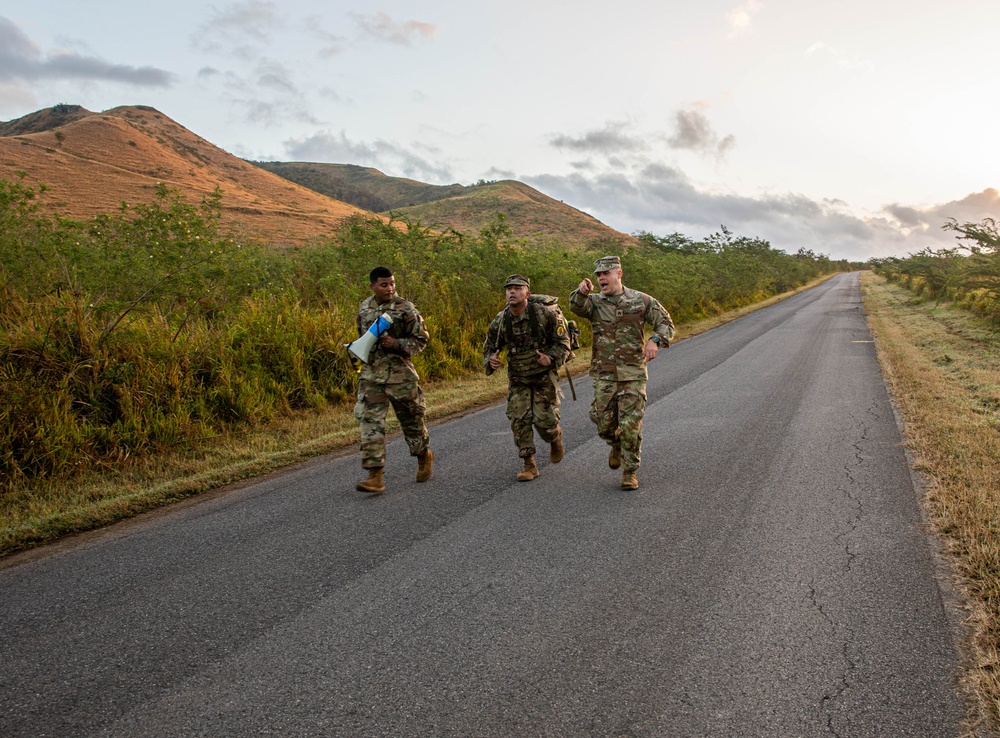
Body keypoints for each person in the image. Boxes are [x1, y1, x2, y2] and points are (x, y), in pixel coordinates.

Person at [569, 255, 674, 490]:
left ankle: (630, 472)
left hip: (633, 374)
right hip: (604, 373)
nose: (601, 278)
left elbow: (666, 323)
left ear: (619, 273)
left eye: (606, 273)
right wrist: (582, 292)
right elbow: (576, 307)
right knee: (602, 422)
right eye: (598, 275)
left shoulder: (641, 300)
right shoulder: (594, 302)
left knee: (630, 425)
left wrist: (655, 340)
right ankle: (616, 444)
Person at [483, 274, 572, 482]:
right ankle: (528, 463)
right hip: (518, 379)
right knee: (519, 419)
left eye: (517, 288)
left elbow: (563, 343)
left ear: (527, 293)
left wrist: (550, 358)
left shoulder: (544, 314)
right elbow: (489, 347)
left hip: (542, 377)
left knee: (544, 422)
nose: (512, 292)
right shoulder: (501, 319)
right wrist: (491, 361)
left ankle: (554, 437)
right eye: (508, 289)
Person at [353, 266, 434, 494]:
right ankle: (375, 476)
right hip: (371, 377)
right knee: (370, 424)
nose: (389, 288)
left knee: (412, 422)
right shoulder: (364, 307)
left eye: (392, 284)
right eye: (384, 285)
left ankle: (423, 455)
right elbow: (362, 339)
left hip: (400, 377)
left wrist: (397, 344)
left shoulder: (405, 308)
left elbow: (421, 339)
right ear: (372, 286)